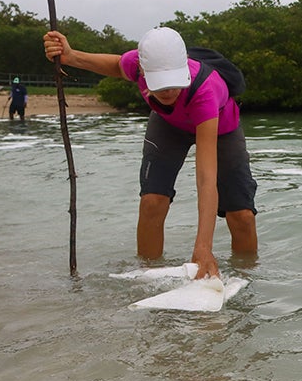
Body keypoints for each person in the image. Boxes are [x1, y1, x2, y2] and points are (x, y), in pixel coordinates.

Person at [42, 27, 257, 279]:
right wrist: (70, 56)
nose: (168, 92)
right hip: (169, 125)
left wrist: (203, 248)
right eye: (160, 84)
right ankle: (148, 276)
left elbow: (206, 178)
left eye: (174, 82)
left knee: (241, 215)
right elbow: (116, 66)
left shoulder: (205, 90)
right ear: (142, 71)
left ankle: (247, 278)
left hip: (220, 128)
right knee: (152, 202)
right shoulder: (136, 63)